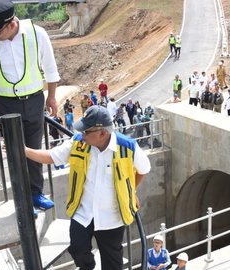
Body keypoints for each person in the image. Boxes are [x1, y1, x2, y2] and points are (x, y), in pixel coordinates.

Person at [24, 106, 151, 270]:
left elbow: (144, 170)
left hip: (111, 217)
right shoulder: (78, 143)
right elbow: (52, 156)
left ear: (102, 133)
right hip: (83, 212)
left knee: (112, 261)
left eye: (86, 131)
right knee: (77, 249)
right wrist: (25, 151)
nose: (82, 135)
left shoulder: (127, 147)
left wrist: (131, 191)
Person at [0, 0, 60, 211]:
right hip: (4, 104)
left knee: (33, 150)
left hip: (33, 101)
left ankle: (36, 193)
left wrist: (52, 96)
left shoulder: (37, 33)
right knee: (15, 152)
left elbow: (50, 68)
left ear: (11, 25)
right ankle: (23, 200)